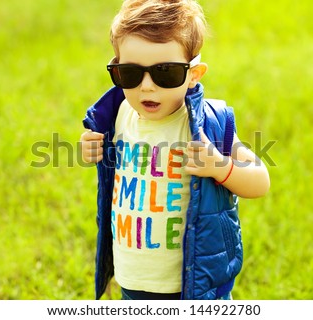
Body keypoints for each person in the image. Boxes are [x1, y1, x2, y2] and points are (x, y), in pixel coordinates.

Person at [80, 0, 270, 300]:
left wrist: (220, 166)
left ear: (194, 74)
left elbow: (260, 181)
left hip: (190, 284)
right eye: (130, 73)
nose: (146, 87)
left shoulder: (205, 126)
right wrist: (91, 151)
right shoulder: (118, 116)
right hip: (133, 279)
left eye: (165, 73)